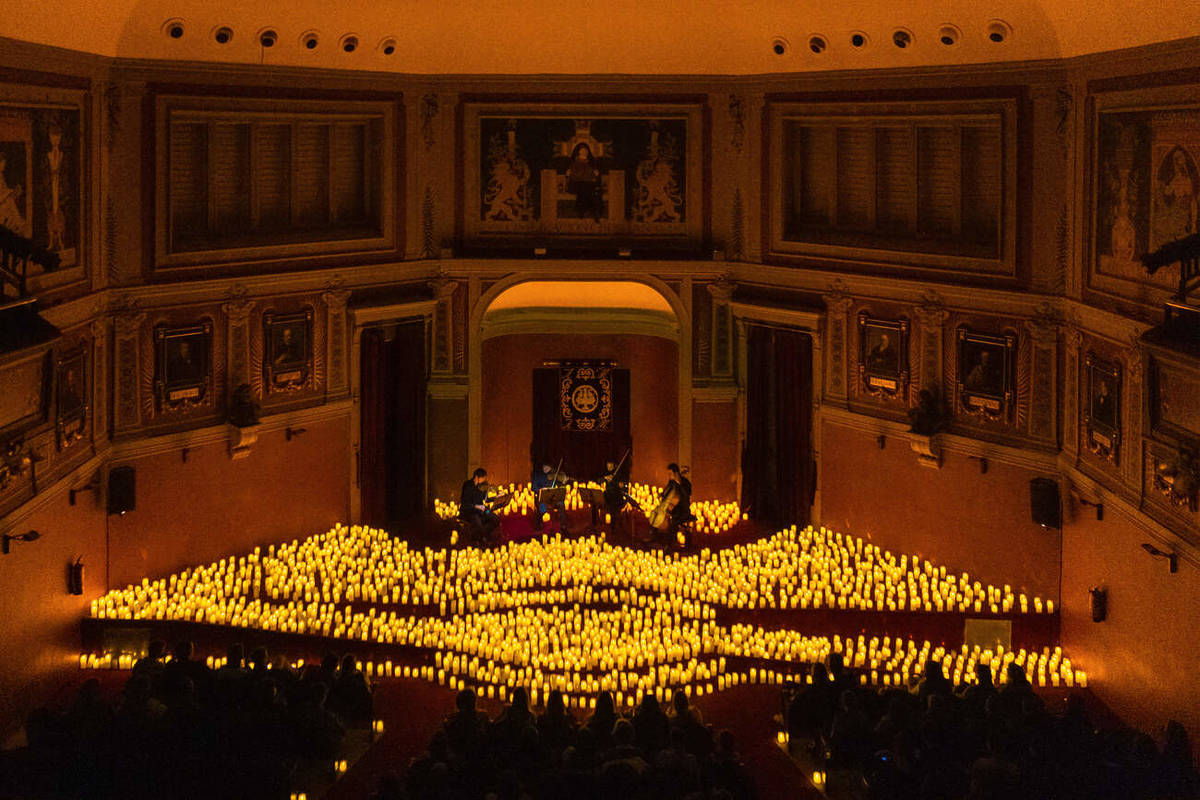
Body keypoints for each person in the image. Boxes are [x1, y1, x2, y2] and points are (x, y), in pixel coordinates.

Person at [460, 467, 500, 544]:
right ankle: (483, 539)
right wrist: (477, 506)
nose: (484, 480)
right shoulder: (467, 485)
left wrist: (496, 497)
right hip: (470, 511)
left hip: (482, 510)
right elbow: (465, 503)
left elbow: (486, 499)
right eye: (483, 478)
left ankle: (479, 535)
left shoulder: (482, 486)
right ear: (476, 477)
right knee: (478, 523)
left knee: (495, 519)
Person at [565, 142, 602, 221]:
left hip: (588, 184)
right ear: (579, 152)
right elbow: (574, 175)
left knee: (587, 189)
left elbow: (594, 174)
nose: (584, 152)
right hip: (576, 183)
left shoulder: (591, 162)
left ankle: (582, 210)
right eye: (583, 150)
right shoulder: (575, 162)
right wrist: (585, 175)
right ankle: (592, 211)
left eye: (586, 150)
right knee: (584, 188)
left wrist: (595, 174)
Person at [531, 462, 569, 534]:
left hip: (552, 497)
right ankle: (546, 525)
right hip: (542, 496)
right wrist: (541, 490)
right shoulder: (537, 475)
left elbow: (560, 484)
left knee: (561, 503)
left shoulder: (553, 473)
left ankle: (563, 526)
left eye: (548, 466)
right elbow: (533, 487)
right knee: (542, 505)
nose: (546, 468)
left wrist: (563, 480)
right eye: (544, 466)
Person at [662, 463, 693, 548]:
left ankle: (671, 542)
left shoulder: (685, 483)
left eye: (670, 474)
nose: (669, 476)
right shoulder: (671, 482)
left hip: (683, 508)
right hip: (674, 507)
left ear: (676, 473)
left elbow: (687, 495)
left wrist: (680, 486)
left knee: (673, 520)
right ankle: (660, 537)